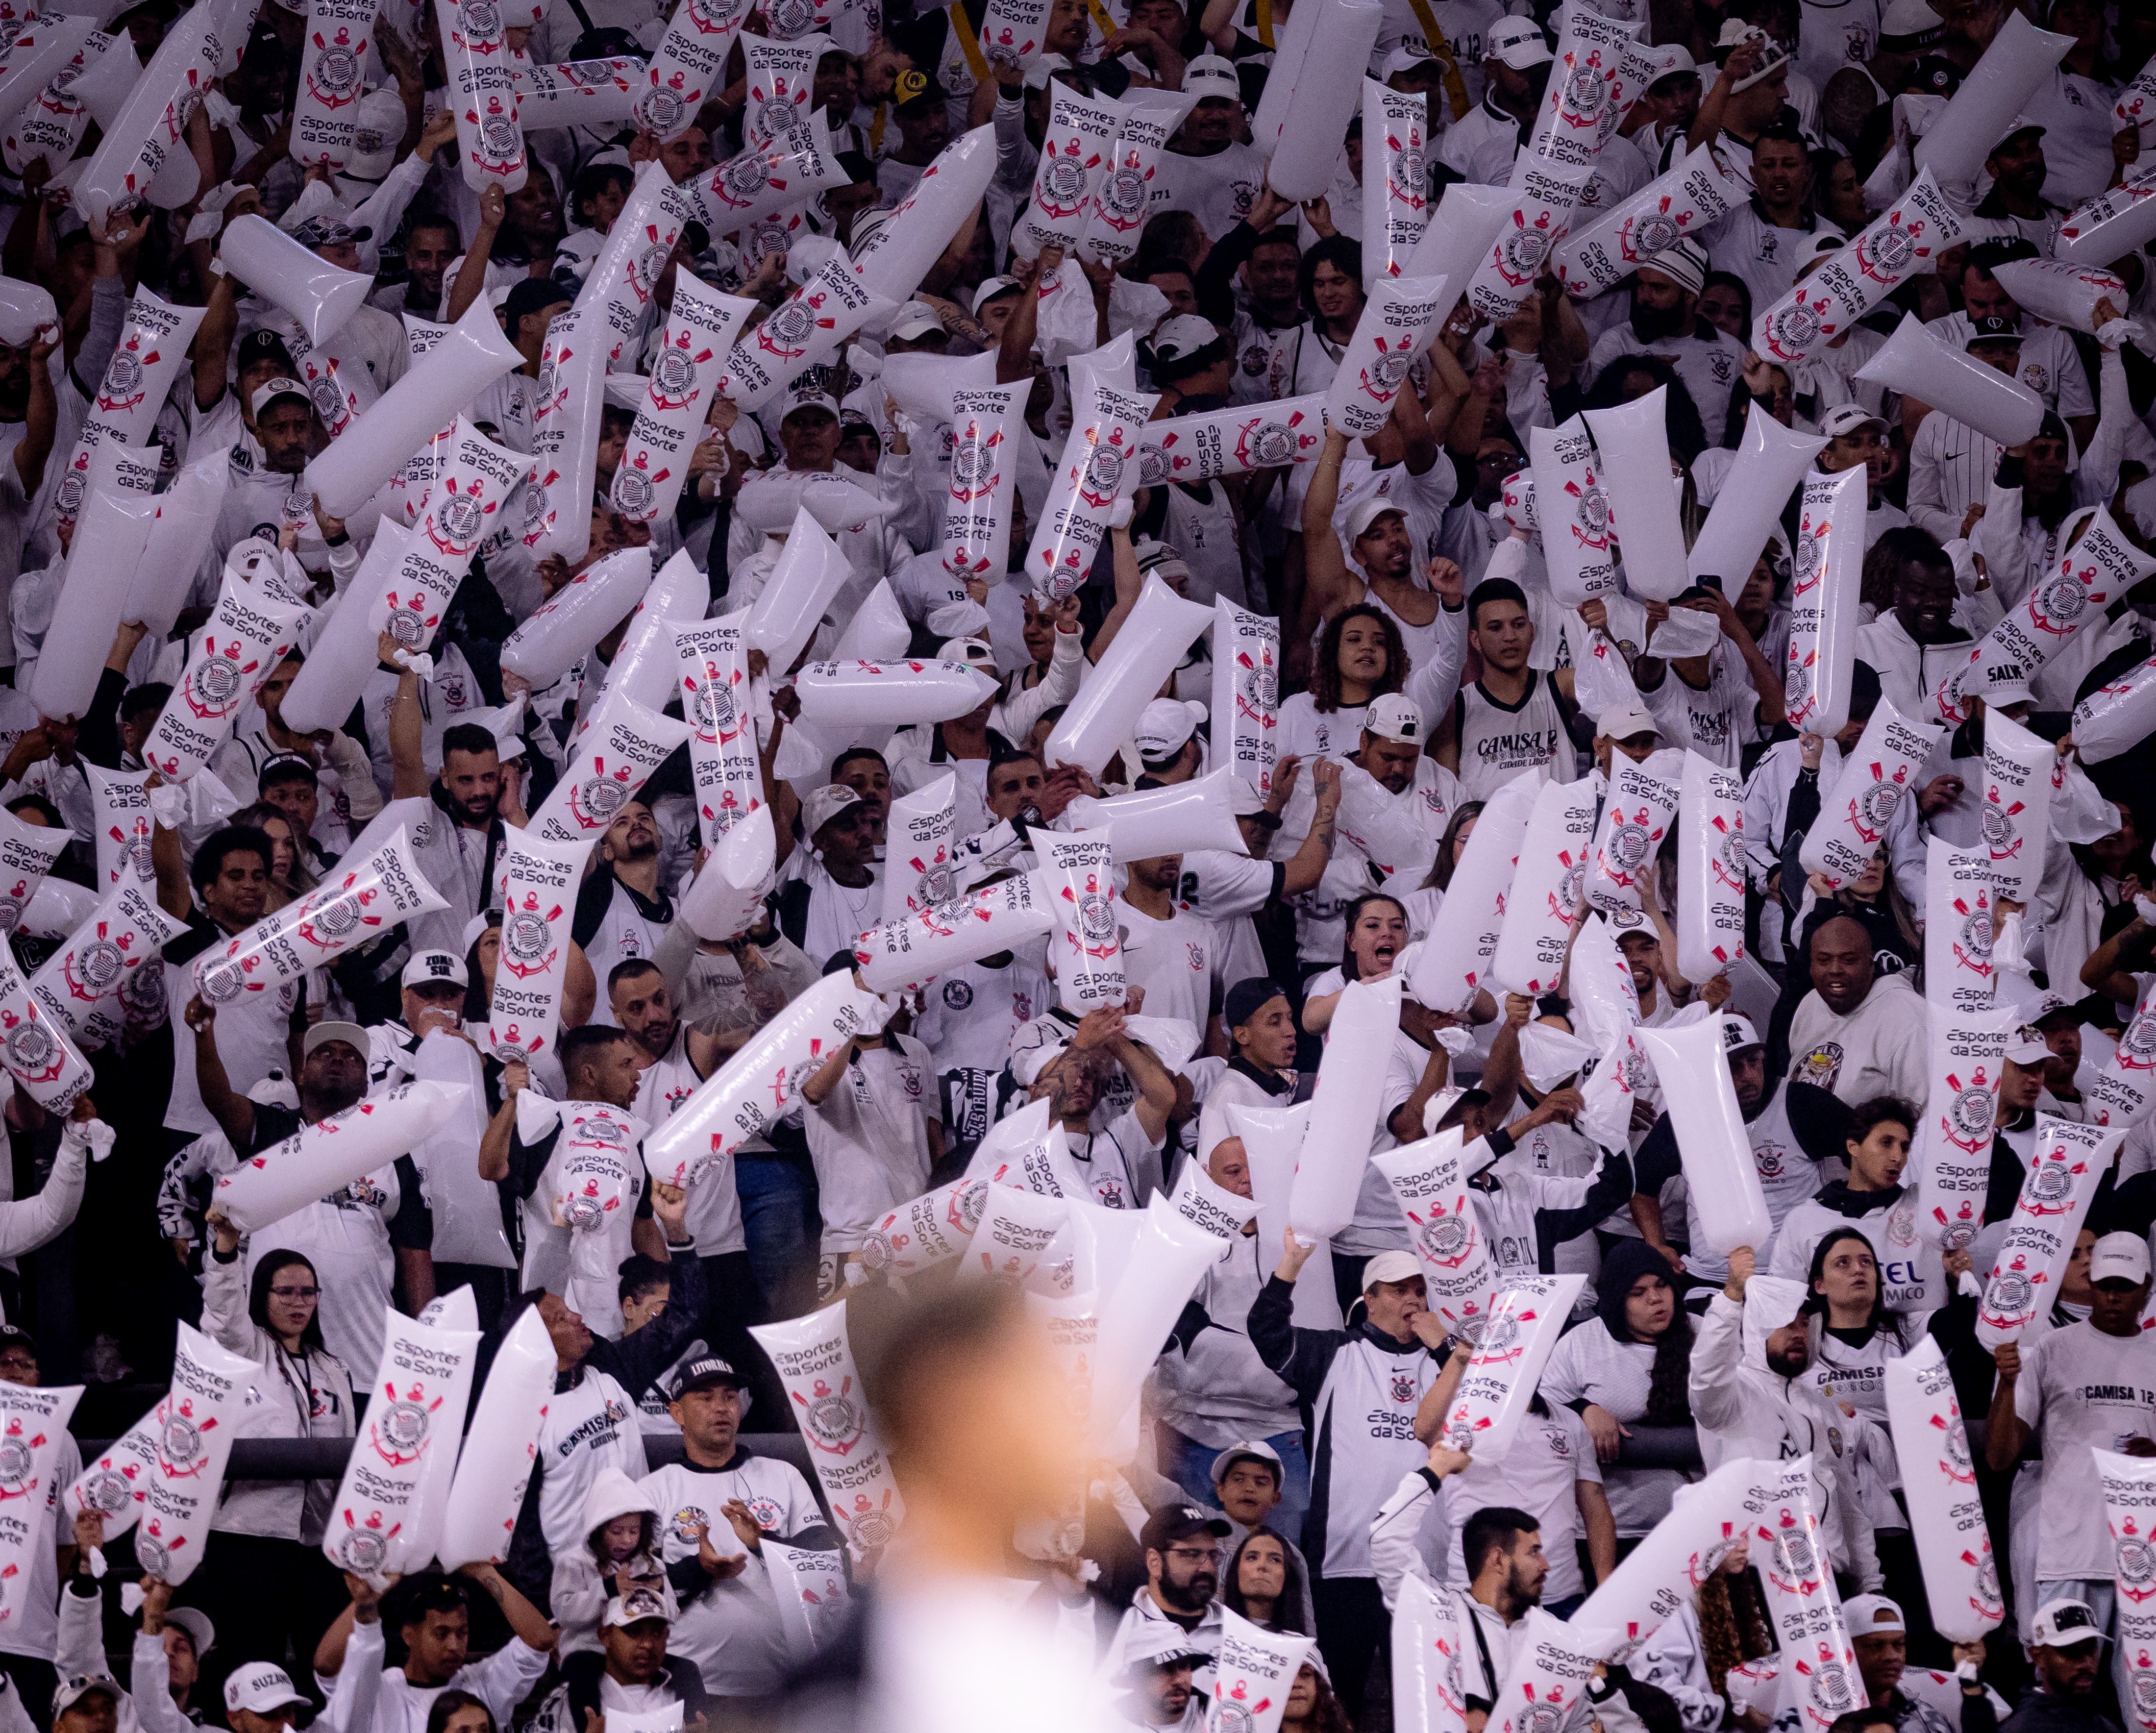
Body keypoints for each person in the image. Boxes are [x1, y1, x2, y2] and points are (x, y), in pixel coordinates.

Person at [1249, 1243, 1448, 1716]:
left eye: (1420, 1291)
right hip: (1343, 1564)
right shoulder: (1334, 1353)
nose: (1413, 1301)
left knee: (1426, 1708)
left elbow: (1493, 1397)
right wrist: (1291, 1265)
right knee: (1340, 1707)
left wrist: (1446, 1347)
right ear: (1369, 1298)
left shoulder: (1448, 1362)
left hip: (1425, 1569)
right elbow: (1266, 1331)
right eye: (1399, 1290)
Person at [1987, 1234, 2156, 1703]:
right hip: (2069, 1552)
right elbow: (1999, 1457)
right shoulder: (2049, 1348)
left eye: (2125, 1285)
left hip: (2144, 1559)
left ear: (2147, 1285)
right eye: (2104, 1285)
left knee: (2148, 1712)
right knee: (2059, 1705)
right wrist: (2005, 1384)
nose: (2113, 1296)